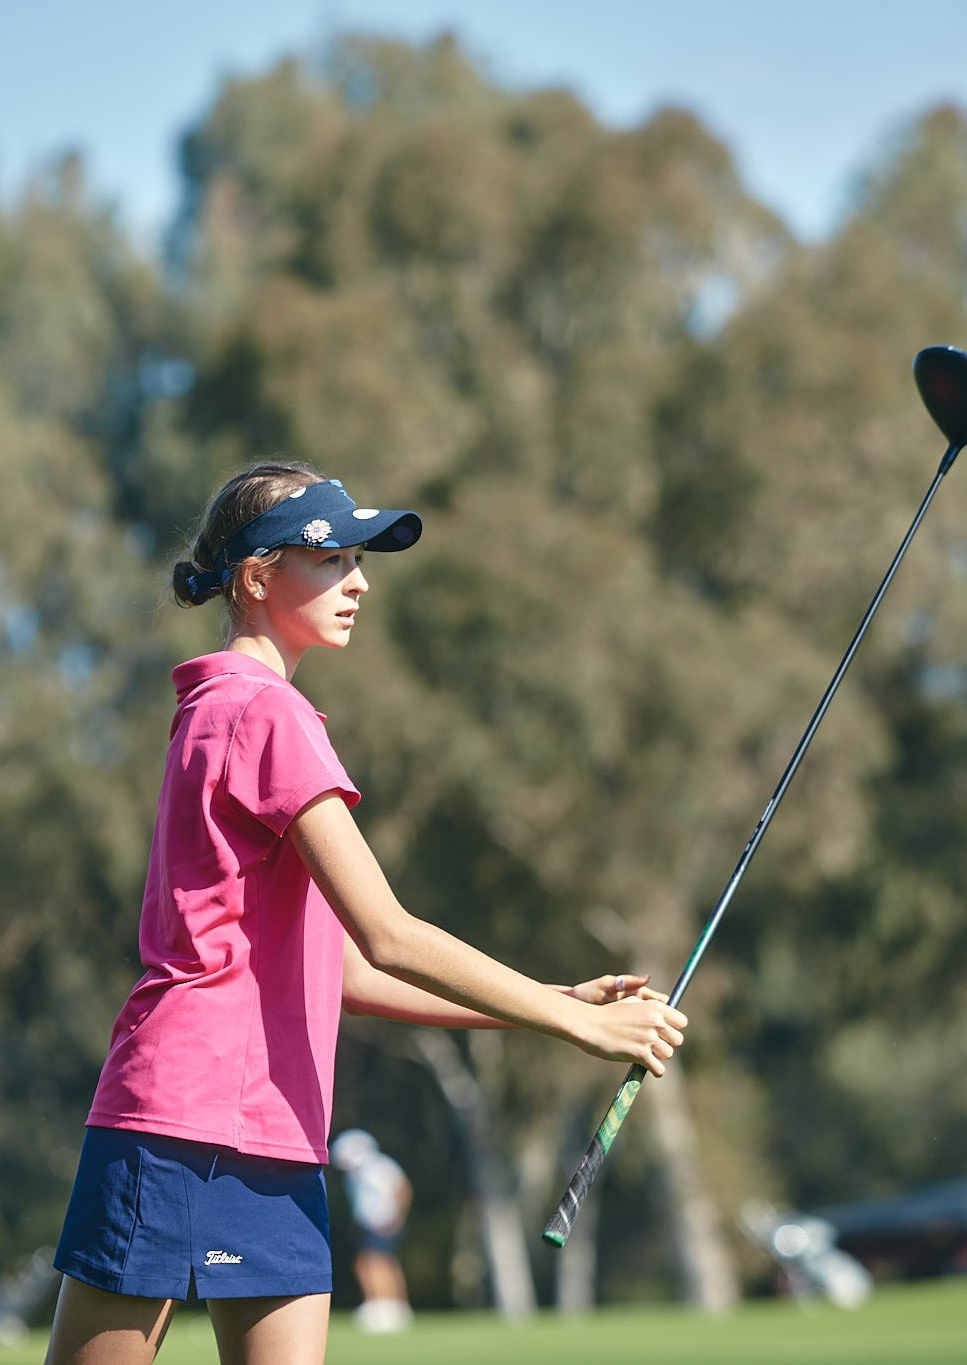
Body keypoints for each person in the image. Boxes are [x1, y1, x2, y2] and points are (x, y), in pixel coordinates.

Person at [44, 462, 687, 1365]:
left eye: (360, 559)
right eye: (333, 558)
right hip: (181, 1119)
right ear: (257, 578)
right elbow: (389, 931)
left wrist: (561, 1002)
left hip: (277, 1129)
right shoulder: (267, 711)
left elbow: (346, 967)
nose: (360, 581)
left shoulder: (233, 708)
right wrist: (576, 1028)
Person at [327, 1129, 413, 1333]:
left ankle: (389, 1307)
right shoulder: (356, 1175)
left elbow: (402, 1188)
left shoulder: (377, 1167)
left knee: (377, 1263)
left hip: (383, 1222)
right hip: (369, 1224)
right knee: (368, 1263)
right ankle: (381, 1305)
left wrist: (396, 1217)